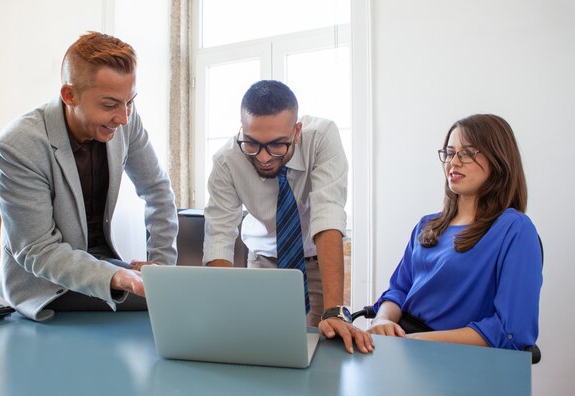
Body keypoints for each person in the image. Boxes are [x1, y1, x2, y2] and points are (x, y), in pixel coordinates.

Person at [0, 32, 178, 321]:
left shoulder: (126, 118)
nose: (124, 117)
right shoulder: (15, 147)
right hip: (45, 284)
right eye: (110, 104)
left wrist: (161, 267)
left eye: (130, 102)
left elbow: (157, 190)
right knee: (182, 304)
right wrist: (119, 277)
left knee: (178, 293)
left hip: (102, 265)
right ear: (69, 95)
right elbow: (38, 250)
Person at [203, 80, 373, 354]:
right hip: (262, 263)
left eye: (276, 145)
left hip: (316, 264)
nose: (263, 157)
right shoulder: (226, 161)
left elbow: (327, 214)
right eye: (252, 143)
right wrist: (223, 308)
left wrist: (334, 310)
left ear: (296, 131)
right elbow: (219, 236)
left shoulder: (322, 137)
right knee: (257, 349)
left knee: (323, 351)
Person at [368, 114, 542, 350]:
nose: (454, 162)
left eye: (468, 153)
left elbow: (511, 331)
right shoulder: (426, 225)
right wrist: (382, 321)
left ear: (499, 160)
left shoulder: (514, 229)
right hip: (404, 348)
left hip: (452, 357)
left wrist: (414, 342)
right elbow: (399, 289)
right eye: (450, 153)